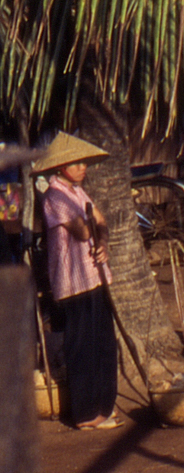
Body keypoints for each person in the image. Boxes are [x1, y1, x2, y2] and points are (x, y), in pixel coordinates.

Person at [36, 133, 120, 429]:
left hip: (94, 276)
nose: (83, 167)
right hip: (73, 282)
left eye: (84, 162)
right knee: (82, 346)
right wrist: (93, 229)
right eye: (76, 163)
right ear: (61, 168)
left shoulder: (78, 192)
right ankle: (86, 414)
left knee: (104, 344)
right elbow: (84, 230)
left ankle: (104, 407)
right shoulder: (54, 197)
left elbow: (101, 223)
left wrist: (104, 243)